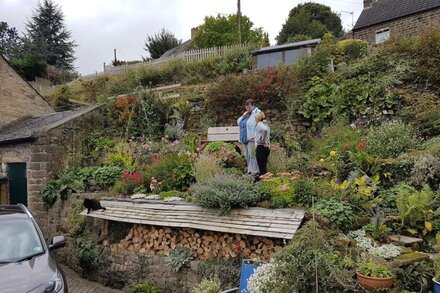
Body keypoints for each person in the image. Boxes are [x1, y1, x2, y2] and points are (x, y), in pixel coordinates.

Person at [237, 99, 261, 177]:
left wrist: (255, 136)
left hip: (252, 138)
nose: (248, 108)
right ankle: (250, 171)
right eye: (247, 107)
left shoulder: (257, 113)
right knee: (247, 155)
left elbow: (260, 125)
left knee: (252, 155)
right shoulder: (246, 114)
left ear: (253, 106)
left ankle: (256, 171)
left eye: (250, 107)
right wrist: (243, 116)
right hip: (244, 138)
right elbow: (238, 122)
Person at [254, 112, 270, 177]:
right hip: (266, 148)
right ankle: (266, 182)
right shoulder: (265, 124)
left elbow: (264, 130)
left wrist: (262, 141)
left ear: (257, 118)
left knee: (261, 168)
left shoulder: (259, 124)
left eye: (255, 118)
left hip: (261, 147)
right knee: (263, 167)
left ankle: (264, 184)